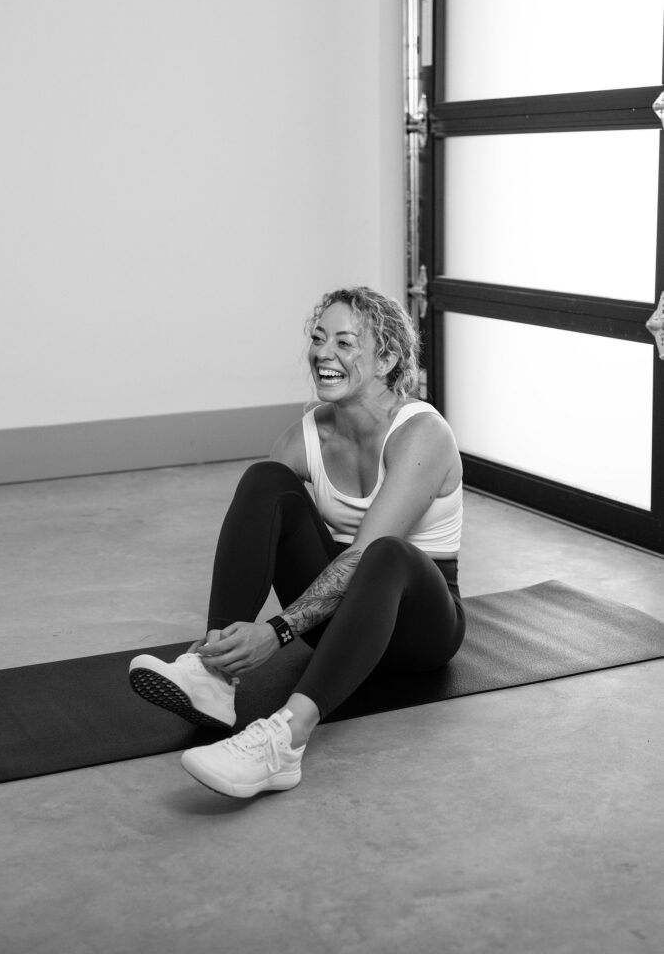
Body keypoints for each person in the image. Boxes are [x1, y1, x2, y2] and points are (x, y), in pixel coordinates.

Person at [129, 286, 465, 798]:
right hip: (339, 623)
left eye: (346, 343)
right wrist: (237, 636)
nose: (324, 354)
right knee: (265, 480)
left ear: (387, 358)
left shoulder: (422, 433)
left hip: (418, 628)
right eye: (318, 338)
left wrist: (277, 632)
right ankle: (213, 673)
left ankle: (286, 740)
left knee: (384, 552)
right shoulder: (306, 437)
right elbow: (260, 524)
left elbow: (362, 557)